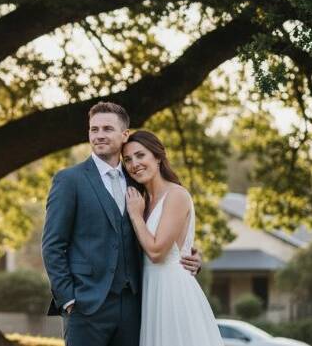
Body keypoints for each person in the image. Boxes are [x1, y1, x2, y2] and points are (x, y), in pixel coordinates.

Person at [42, 102, 202, 346]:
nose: (99, 135)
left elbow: (164, 228)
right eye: (94, 129)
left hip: (135, 306)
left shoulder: (139, 179)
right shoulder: (69, 180)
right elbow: (53, 245)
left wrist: (188, 256)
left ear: (124, 134)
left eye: (107, 128)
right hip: (86, 306)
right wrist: (68, 299)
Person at [123, 129, 223, 346]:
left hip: (172, 291)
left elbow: (157, 252)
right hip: (149, 291)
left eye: (141, 155)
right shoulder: (142, 200)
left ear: (158, 157)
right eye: (128, 159)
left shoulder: (176, 195)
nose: (134, 164)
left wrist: (135, 216)